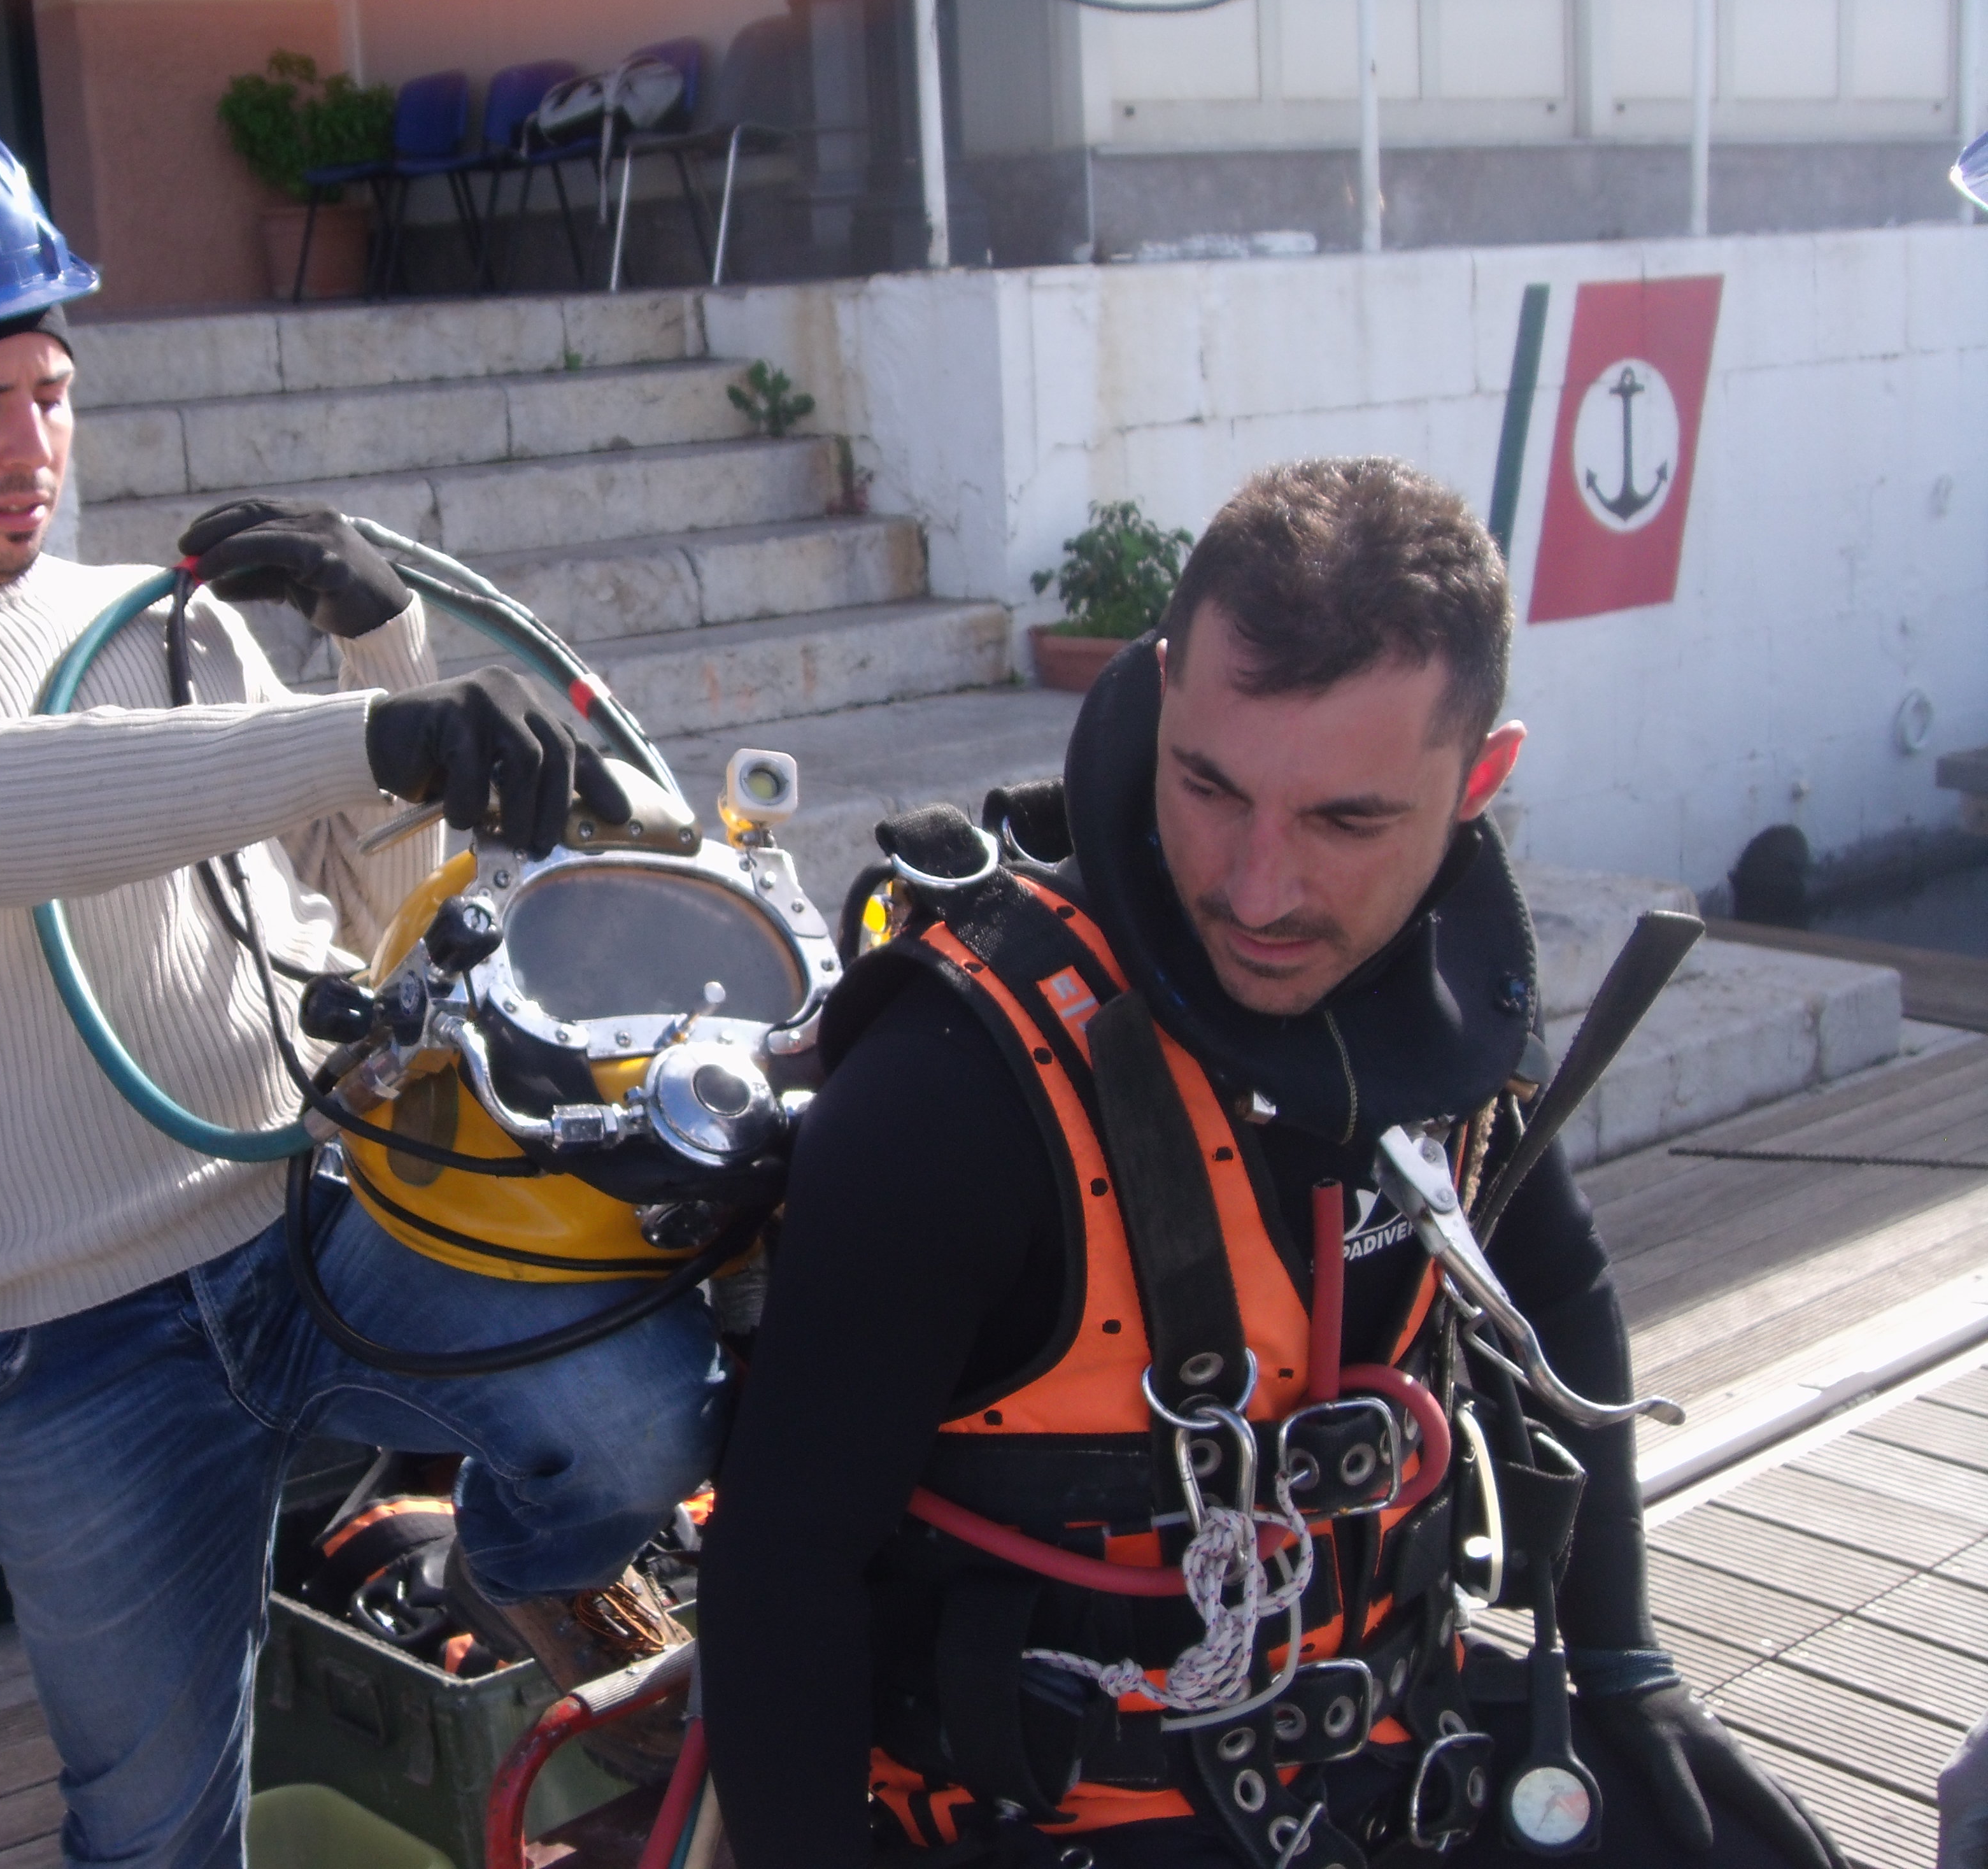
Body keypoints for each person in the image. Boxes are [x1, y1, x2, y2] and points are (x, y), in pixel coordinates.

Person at [0, 108, 722, 1867]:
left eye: (51, 392)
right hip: (72, 1340)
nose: (32, 446)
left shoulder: (170, 627)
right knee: (150, 1825)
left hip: (319, 1224)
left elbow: (387, 916)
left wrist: (383, 640)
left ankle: (511, 1573)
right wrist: (363, 724)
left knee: (638, 1408)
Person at [699, 458, 1848, 1869]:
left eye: (1347, 820)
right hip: (1075, 1822)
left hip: (1396, 1744)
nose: (1256, 890)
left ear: (1477, 782)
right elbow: (781, 1571)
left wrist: (1619, 1657)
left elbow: (1556, 1280)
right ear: (1163, 690)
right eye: (1208, 785)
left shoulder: (1442, 1010)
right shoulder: (952, 1096)